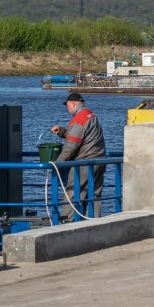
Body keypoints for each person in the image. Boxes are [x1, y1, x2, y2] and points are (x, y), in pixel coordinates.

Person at [50, 92, 107, 221]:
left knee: (72, 192)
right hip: (100, 160)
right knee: (94, 194)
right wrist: (62, 131)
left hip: (84, 162)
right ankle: (94, 222)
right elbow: (83, 136)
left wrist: (57, 163)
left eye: (67, 105)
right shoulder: (90, 114)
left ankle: (67, 222)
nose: (67, 108)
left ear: (73, 104)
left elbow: (71, 146)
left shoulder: (78, 119)